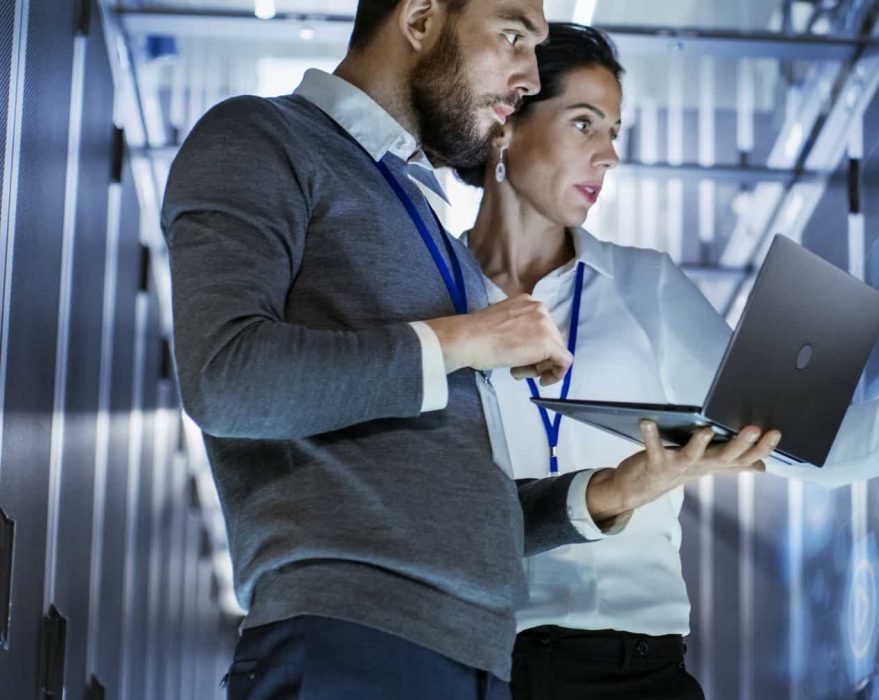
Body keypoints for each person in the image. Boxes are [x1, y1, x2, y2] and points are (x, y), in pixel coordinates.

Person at [455, 23, 879, 700]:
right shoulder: (432, 303)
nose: (610, 154)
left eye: (615, 130)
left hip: (634, 670)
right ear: (507, 121)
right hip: (474, 663)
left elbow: (819, 450)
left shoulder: (643, 286)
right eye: (584, 124)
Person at [161, 2, 752, 698]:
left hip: (473, 659)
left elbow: (464, 508)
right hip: (347, 641)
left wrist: (614, 492)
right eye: (513, 36)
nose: (528, 76)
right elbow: (226, 379)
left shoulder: (429, 225)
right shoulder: (262, 136)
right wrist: (468, 338)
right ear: (420, 19)